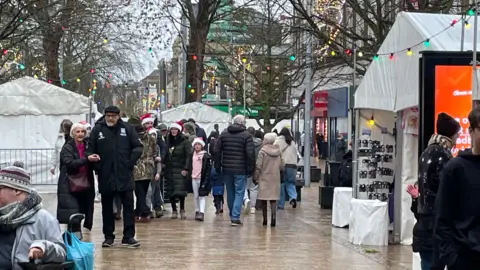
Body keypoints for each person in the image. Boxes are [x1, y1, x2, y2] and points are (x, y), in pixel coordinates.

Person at [86, 105, 143, 248]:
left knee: (128, 206)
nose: (110, 118)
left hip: (125, 175)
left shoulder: (127, 129)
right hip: (106, 175)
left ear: (118, 116)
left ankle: (128, 236)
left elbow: (138, 147)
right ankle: (108, 237)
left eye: (113, 116)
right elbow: (89, 151)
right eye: (108, 116)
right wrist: (98, 166)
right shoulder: (98, 130)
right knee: (107, 208)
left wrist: (129, 163)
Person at [413, 112, 460, 270]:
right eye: (457, 135)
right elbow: (446, 194)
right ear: (451, 135)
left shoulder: (426, 153)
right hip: (435, 228)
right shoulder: (443, 156)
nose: (457, 140)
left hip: (423, 225)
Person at [435, 108, 480, 269]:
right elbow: (442, 218)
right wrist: (452, 259)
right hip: (465, 259)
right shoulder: (455, 168)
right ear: (471, 131)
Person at [0, 163, 66, 269]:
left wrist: (43, 248)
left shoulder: (44, 219)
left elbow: (61, 253)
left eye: (0, 188)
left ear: (17, 190)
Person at [213, 115, 255, 226]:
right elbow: (250, 153)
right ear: (243, 123)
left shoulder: (224, 134)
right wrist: (251, 168)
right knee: (239, 192)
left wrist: (218, 165)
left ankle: (233, 214)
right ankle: (235, 217)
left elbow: (216, 150)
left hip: (226, 168)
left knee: (230, 192)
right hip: (241, 169)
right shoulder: (247, 135)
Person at [57, 123, 97, 232]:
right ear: (73, 133)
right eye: (77, 131)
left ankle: (77, 240)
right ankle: (74, 239)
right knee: (73, 214)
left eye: (82, 132)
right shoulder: (67, 147)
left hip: (85, 183)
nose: (80, 134)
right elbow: (69, 163)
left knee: (83, 211)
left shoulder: (88, 145)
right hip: (70, 184)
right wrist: (87, 159)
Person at [254, 133, 284, 227]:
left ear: (266, 140)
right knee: (273, 199)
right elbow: (282, 165)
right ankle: (274, 217)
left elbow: (258, 166)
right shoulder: (279, 151)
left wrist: (255, 177)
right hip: (275, 177)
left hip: (264, 177)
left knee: (263, 199)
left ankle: (265, 219)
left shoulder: (262, 152)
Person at [164, 121, 191, 220]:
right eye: (172, 129)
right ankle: (174, 210)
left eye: (175, 129)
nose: (173, 131)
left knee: (180, 191)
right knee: (170, 191)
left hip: (180, 169)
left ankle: (182, 210)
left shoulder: (185, 141)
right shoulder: (167, 141)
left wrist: (186, 168)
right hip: (170, 169)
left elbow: (189, 155)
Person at [133, 124, 157, 223]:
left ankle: (145, 211)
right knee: (143, 191)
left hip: (137, 168)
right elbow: (155, 151)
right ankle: (139, 212)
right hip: (148, 168)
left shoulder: (133, 138)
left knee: (139, 193)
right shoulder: (151, 138)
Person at [187, 138, 211, 221]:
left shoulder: (205, 156)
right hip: (193, 177)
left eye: (199, 144)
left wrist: (206, 180)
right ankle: (197, 210)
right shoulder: (191, 154)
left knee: (202, 196)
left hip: (202, 178)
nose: (197, 146)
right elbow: (189, 164)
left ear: (202, 146)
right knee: (196, 195)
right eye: (195, 144)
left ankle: (201, 212)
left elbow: (208, 169)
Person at [275, 127, 299, 209]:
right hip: (293, 166)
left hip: (282, 166)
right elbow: (297, 155)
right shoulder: (292, 142)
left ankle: (280, 205)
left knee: (281, 184)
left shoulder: (277, 141)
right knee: (291, 183)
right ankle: (293, 197)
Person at [242, 127, 261, 214]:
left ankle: (246, 199)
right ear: (254, 133)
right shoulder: (260, 143)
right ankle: (253, 207)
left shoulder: (245, 142)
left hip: (246, 166)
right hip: (257, 167)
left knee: (244, 186)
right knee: (254, 188)